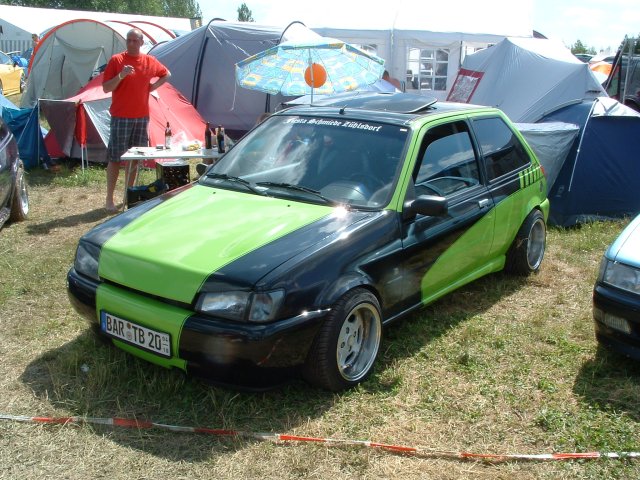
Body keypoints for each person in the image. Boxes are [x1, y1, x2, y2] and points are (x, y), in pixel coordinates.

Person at [102, 28, 171, 212]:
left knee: (134, 159)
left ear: (141, 43)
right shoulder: (117, 61)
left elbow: (167, 74)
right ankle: (109, 198)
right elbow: (106, 88)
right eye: (129, 40)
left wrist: (153, 86)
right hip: (120, 116)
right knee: (115, 158)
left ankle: (128, 195)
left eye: (135, 40)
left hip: (141, 117)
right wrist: (121, 75)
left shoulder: (149, 61)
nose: (131, 43)